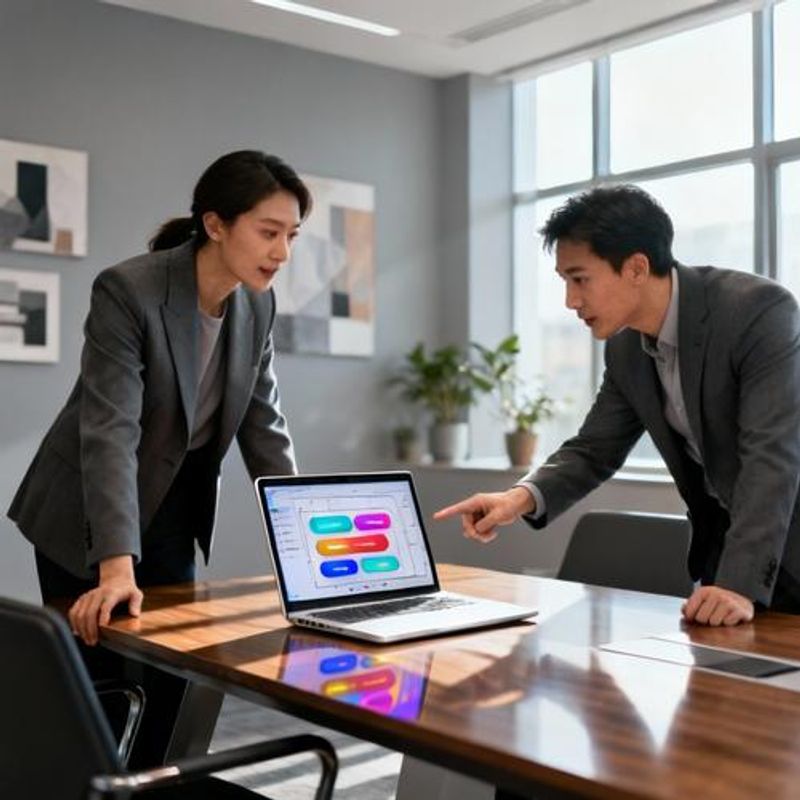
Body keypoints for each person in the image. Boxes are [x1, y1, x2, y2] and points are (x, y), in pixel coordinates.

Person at [8, 149, 309, 764]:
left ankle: (149, 785)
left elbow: (264, 426)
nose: (282, 253)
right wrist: (115, 567)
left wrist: (309, 540)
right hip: (87, 506)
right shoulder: (131, 289)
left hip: (175, 498)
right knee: (95, 685)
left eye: (293, 236)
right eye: (269, 232)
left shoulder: (258, 303)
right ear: (216, 224)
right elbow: (110, 431)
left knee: (169, 673)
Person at [436, 184, 800, 627]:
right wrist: (519, 497)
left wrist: (740, 583)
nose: (570, 301)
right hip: (727, 563)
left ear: (636, 268)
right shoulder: (626, 349)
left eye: (579, 278)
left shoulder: (756, 311)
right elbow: (595, 448)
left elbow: (772, 456)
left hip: (780, 545)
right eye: (565, 282)